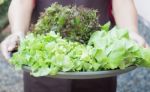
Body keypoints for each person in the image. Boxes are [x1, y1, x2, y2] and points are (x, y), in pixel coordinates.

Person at [0, 0, 149, 92]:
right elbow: (21, 2)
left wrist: (130, 32)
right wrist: (18, 32)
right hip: (45, 63)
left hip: (96, 61)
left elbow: (122, 2)